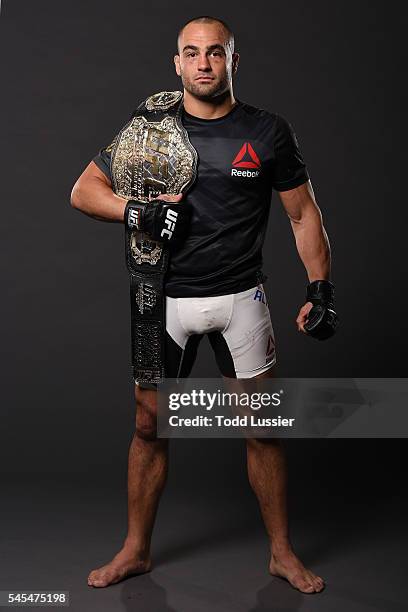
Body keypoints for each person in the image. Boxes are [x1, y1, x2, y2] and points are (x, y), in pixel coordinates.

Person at [71, 15, 335, 594]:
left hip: (242, 297)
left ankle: (281, 554)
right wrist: (135, 211)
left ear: (233, 60)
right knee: (149, 427)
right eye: (191, 53)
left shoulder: (267, 132)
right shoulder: (149, 129)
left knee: (261, 428)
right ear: (177, 63)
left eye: (215, 52)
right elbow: (84, 189)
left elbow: (302, 213)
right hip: (163, 300)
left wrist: (320, 288)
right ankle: (136, 549)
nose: (203, 63)